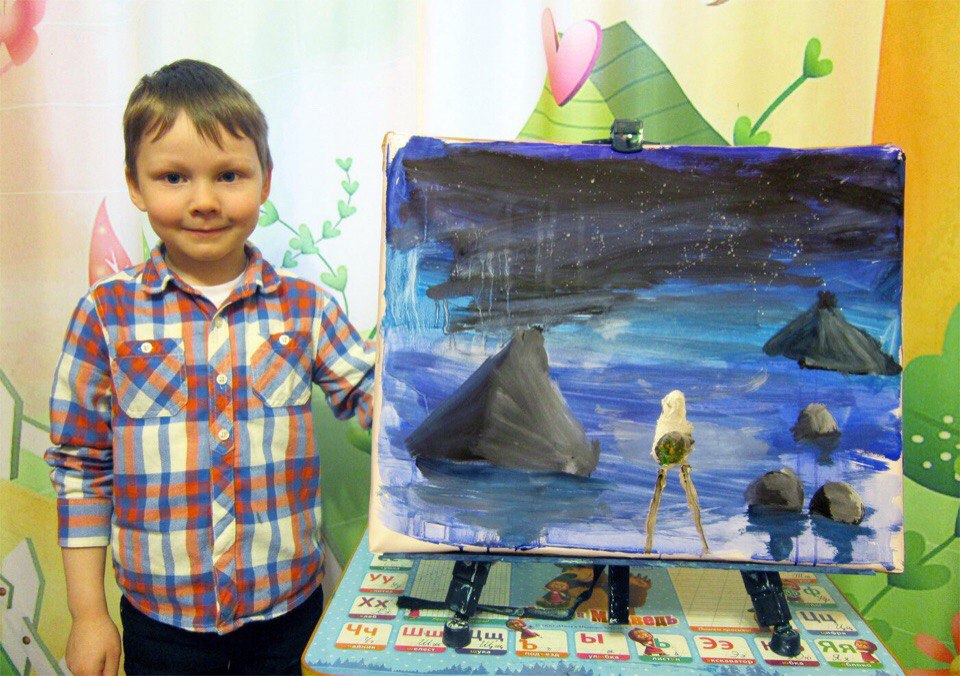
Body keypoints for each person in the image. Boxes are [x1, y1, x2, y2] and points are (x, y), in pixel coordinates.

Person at [45, 59, 376, 675]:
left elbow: (372, 397)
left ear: (265, 180)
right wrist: (88, 615)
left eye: (229, 175)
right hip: (161, 625)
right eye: (173, 177)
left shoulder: (307, 309)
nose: (203, 201)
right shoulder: (105, 315)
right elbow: (81, 469)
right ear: (135, 185)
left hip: (288, 615)